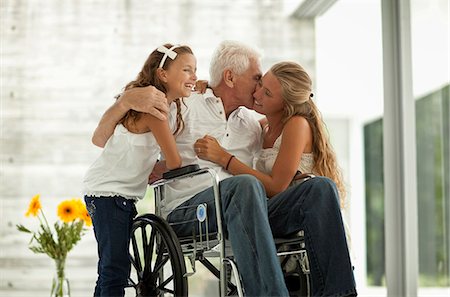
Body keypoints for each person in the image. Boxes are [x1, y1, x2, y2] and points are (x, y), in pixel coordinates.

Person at [92, 41, 357, 296]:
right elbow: (111, 135)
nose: (259, 86)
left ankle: (340, 293)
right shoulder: (184, 104)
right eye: (256, 79)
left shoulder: (253, 125)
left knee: (320, 188)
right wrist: (125, 101)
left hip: (247, 212)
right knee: (244, 185)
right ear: (230, 77)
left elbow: (275, 158)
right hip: (189, 212)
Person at [83, 43, 197, 297]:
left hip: (114, 194)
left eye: (195, 70)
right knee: (115, 270)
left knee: (111, 269)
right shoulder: (153, 111)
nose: (194, 76)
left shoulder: (158, 106)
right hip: (109, 194)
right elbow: (175, 161)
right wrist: (163, 165)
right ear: (163, 74)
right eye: (187, 70)